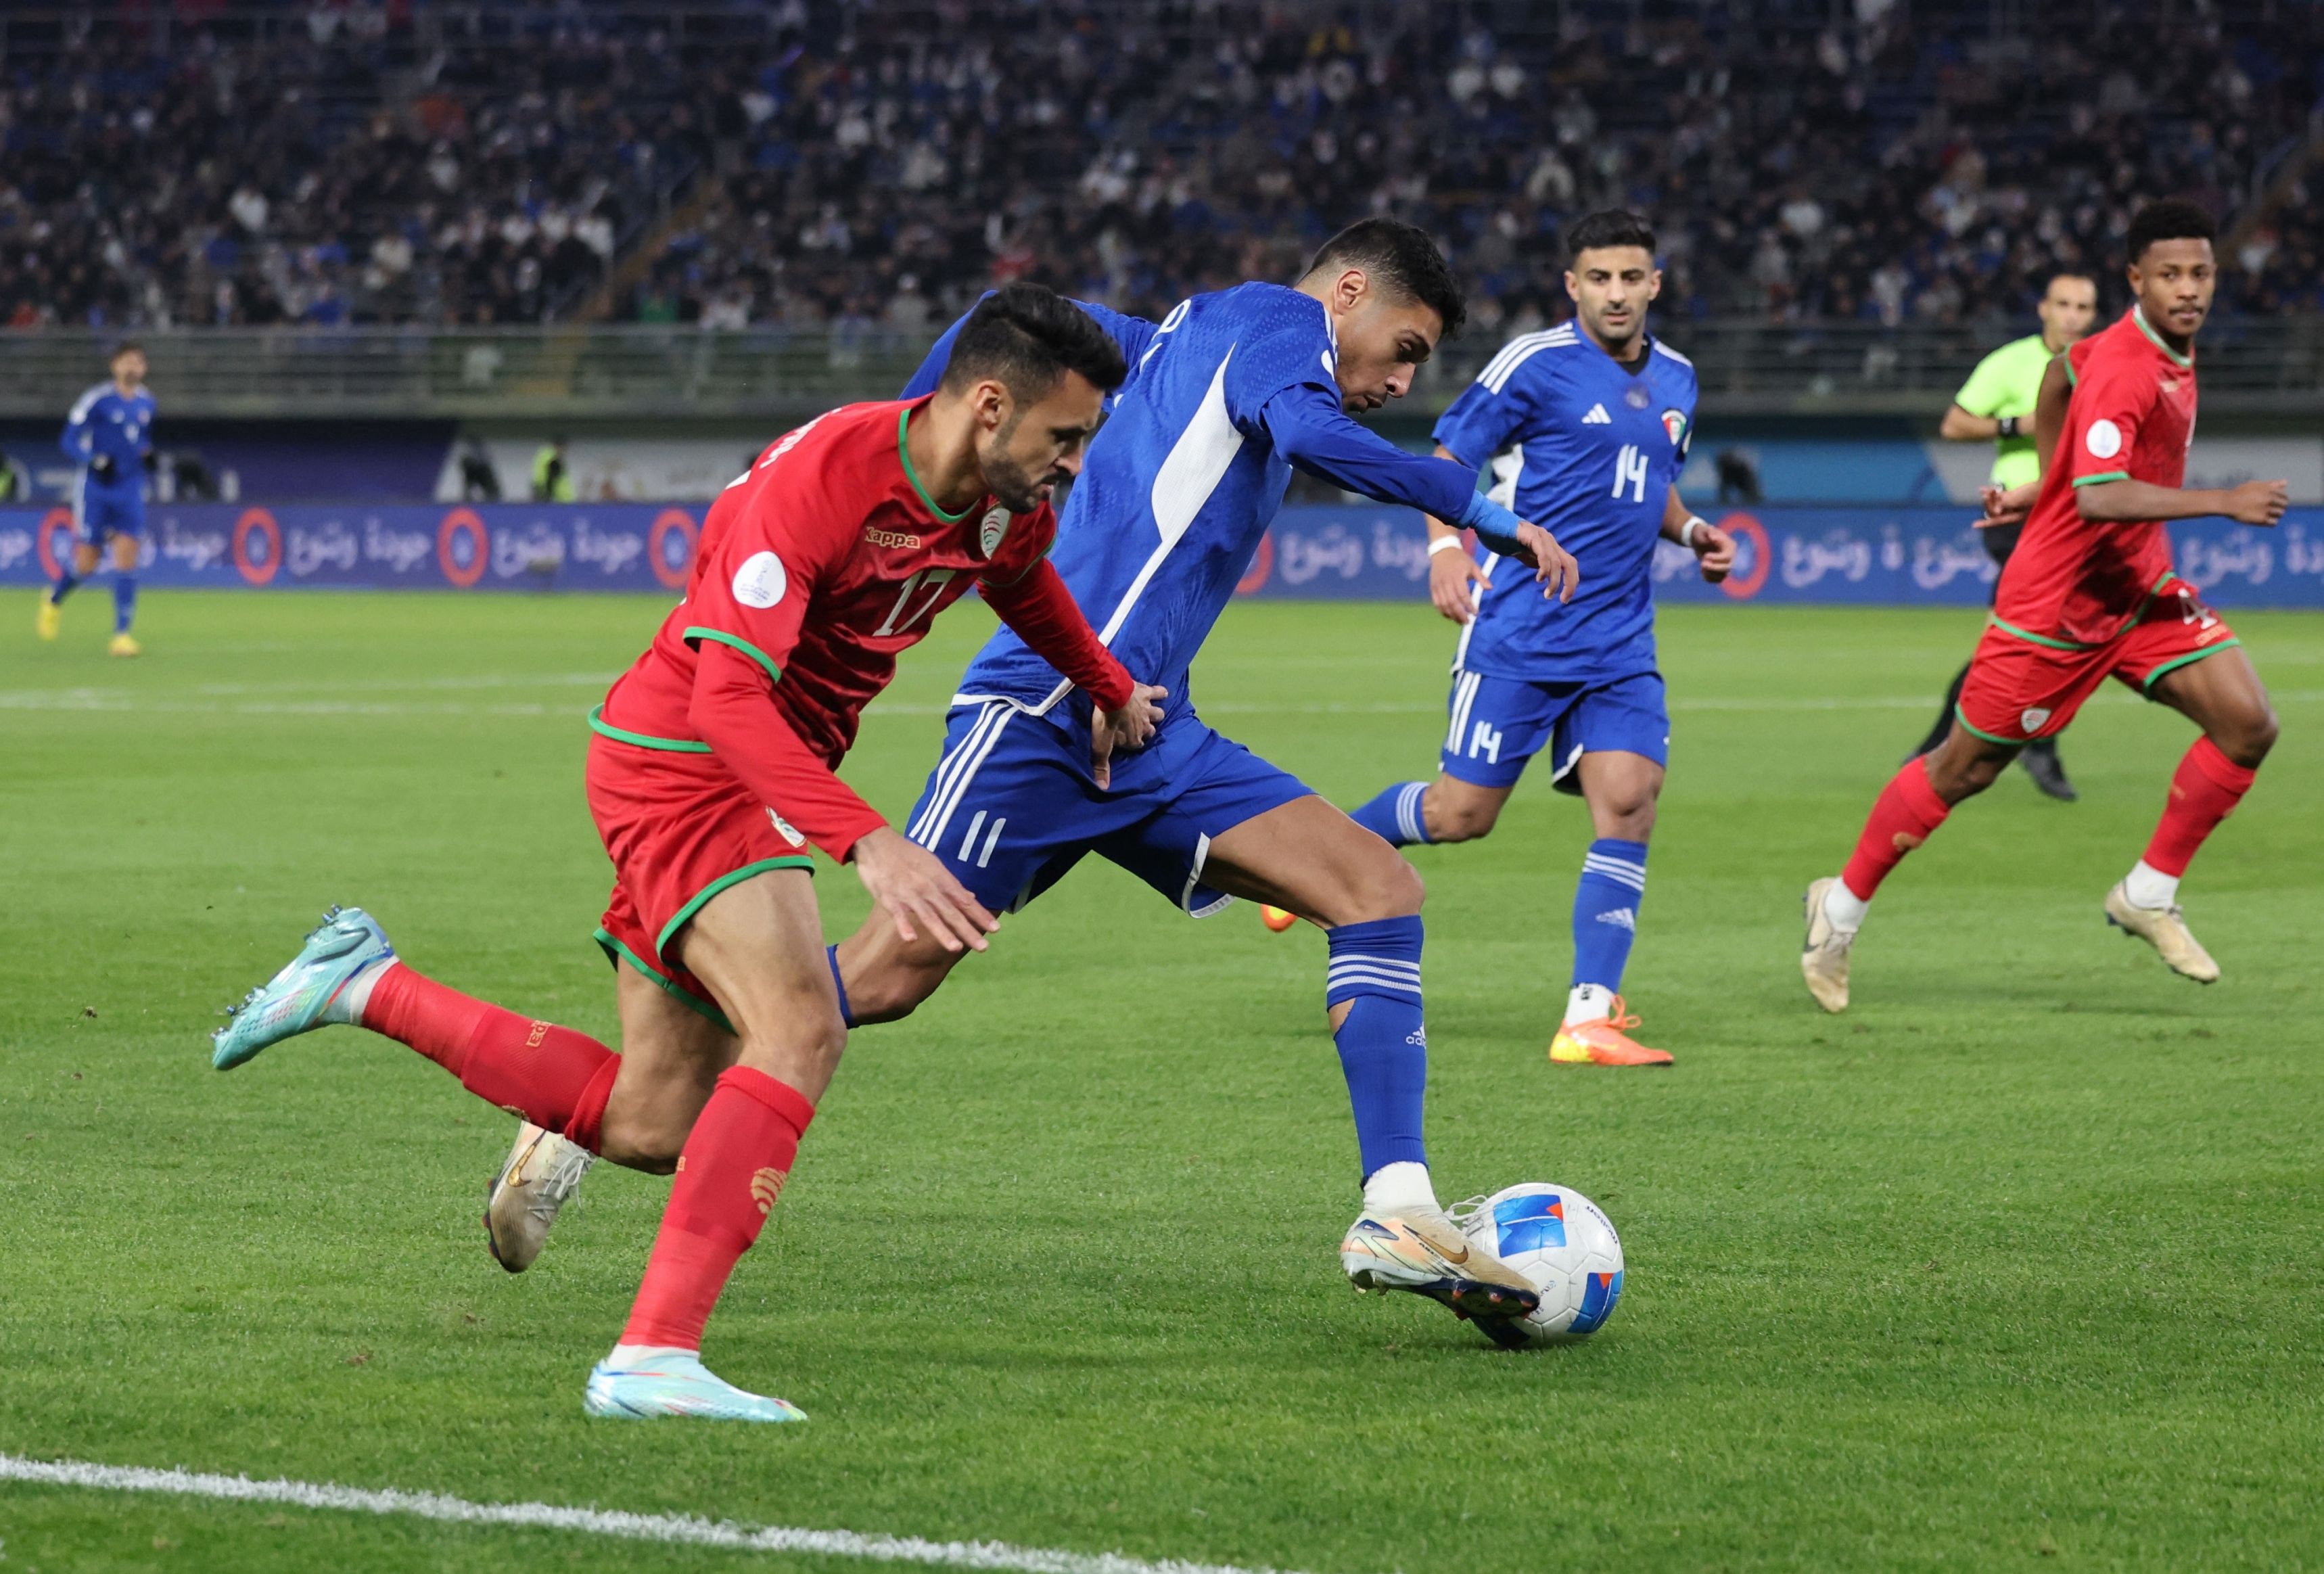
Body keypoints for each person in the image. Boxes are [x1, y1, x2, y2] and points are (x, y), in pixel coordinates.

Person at [488, 218, 1581, 1345]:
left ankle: (1396, 1210)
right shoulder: (1274, 328)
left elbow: (991, 322)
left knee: (1377, 888)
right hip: (1042, 715)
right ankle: (610, 1105)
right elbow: (1300, 423)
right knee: (877, 983)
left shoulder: (1175, 337)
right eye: (1401, 347)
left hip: (1148, 720)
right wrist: (1476, 508)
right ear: (1346, 293)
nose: (1398, 382)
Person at [207, 284, 1166, 1422]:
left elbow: (1020, 583)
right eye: (1065, 437)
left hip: (755, 770)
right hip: (687, 758)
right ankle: (653, 1355)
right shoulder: (820, 482)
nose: (1075, 462)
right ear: (991, 406)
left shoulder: (1006, 504)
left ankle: (362, 981)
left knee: (656, 1124)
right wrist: (868, 843)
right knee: (803, 1023)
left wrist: (1108, 686)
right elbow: (725, 697)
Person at [1801, 202, 2288, 1013]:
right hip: (2056, 606)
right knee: (1964, 769)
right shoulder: (2133, 365)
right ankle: (1838, 908)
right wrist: (2222, 499)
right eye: (2169, 274)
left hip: (2136, 593)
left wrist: (2035, 484)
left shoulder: (2130, 347)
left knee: (2248, 722)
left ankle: (2148, 892)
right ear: (2136, 279)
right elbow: (2099, 497)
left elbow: (2062, 380)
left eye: (2200, 272)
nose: (2188, 289)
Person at [1334, 210, 1735, 1069]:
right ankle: (1324, 842)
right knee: (1458, 815)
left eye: (1632, 278)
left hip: (1622, 640)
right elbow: (1451, 448)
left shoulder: (1678, 380)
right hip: (1521, 628)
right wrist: (1447, 546)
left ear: (1655, 284)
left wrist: (1693, 529)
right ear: (1573, 286)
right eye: (1600, 279)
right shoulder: (1535, 363)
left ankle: (1588, 1015)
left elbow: (1651, 484)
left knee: (1629, 801)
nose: (1617, 293)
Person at [1907, 271, 2100, 800]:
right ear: (2044, 309)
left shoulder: (2106, 363)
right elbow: (1955, 423)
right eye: (2063, 304)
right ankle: (2036, 750)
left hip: (2075, 516)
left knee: (2017, 640)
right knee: (2039, 638)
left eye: (2083, 306)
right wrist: (2019, 424)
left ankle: (1936, 749)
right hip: (2015, 514)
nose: (2072, 315)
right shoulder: (2011, 362)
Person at [38, 342, 155, 656]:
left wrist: (146, 453)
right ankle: (53, 601)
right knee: (87, 563)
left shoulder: (147, 403)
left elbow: (140, 439)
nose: (133, 367)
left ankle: (122, 635)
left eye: (138, 362)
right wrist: (92, 459)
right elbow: (68, 439)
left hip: (130, 489)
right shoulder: (97, 400)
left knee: (127, 557)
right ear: (115, 365)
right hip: (97, 490)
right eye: (127, 361)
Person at [531, 436, 574, 501]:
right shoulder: (554, 459)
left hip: (541, 491)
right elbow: (551, 480)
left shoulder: (544, 455)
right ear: (559, 447)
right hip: (559, 500)